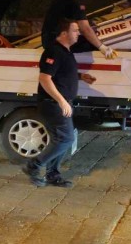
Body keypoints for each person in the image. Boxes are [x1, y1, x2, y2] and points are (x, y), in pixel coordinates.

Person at [23, 19, 96, 188]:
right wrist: (61, 101)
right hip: (53, 104)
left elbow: (61, 73)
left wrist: (80, 76)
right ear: (64, 33)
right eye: (75, 30)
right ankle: (34, 165)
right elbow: (45, 78)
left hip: (60, 103)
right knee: (66, 139)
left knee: (60, 139)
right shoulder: (53, 51)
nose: (78, 33)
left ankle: (52, 175)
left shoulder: (65, 51)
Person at [41, 0, 117, 58]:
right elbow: (85, 28)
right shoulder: (74, 0)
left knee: (91, 38)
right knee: (94, 42)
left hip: (50, 40)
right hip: (56, 42)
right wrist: (102, 47)